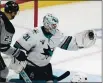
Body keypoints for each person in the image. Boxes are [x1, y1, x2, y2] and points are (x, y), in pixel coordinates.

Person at [9, 13, 97, 82]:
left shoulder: (57, 35)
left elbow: (68, 43)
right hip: (30, 68)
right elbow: (18, 47)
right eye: (53, 25)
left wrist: (82, 42)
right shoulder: (33, 34)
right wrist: (16, 63)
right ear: (47, 24)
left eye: (55, 25)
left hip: (46, 67)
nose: (55, 27)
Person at [0, 1, 27, 82]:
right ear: (12, 13)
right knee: (3, 72)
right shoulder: (8, 27)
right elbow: (3, 48)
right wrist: (18, 53)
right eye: (15, 12)